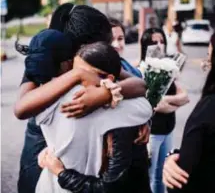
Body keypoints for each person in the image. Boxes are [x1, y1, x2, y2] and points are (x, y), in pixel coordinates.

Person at [15, 5, 147, 193]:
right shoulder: (48, 55)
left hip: (88, 161)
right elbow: (21, 108)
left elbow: (139, 84)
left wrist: (106, 93)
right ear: (80, 49)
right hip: (44, 149)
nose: (109, 48)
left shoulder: (97, 62)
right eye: (105, 44)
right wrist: (77, 75)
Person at [33, 41, 152, 193]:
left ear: (108, 79)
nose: (74, 84)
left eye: (82, 77)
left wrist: (60, 172)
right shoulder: (71, 102)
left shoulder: (123, 115)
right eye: (73, 76)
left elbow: (108, 187)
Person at [163, 33, 215, 193]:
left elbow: (181, 178)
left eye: (208, 56)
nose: (206, 63)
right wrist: (176, 154)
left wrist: (174, 160)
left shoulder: (208, 108)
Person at [140, 28, 189, 193]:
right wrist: (167, 103)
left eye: (161, 41)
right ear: (145, 44)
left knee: (161, 177)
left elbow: (185, 97)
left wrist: (164, 100)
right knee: (150, 176)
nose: (159, 45)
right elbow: (154, 105)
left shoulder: (169, 67)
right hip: (152, 133)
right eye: (154, 42)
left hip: (168, 130)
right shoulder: (141, 69)